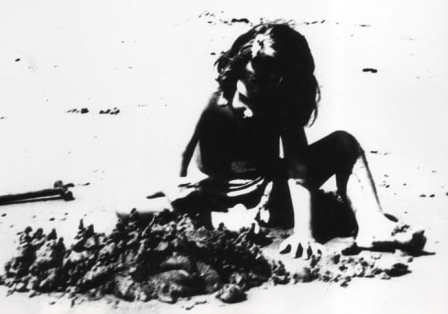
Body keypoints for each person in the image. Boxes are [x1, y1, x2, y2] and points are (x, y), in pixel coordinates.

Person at [126, 23, 425, 259]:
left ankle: (372, 224)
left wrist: (304, 234)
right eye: (245, 99)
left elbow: (299, 171)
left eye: (263, 105)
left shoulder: (282, 104)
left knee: (344, 143)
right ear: (233, 77)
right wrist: (179, 189)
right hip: (210, 197)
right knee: (127, 207)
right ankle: (222, 222)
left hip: (270, 194)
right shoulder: (211, 103)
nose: (251, 112)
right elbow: (180, 155)